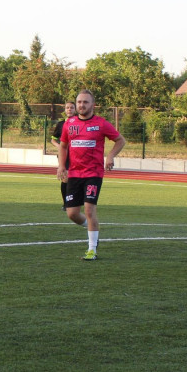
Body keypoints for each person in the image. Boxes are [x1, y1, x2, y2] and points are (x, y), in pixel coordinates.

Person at [56, 89, 126, 261]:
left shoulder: (101, 124)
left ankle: (92, 249)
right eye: (79, 102)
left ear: (92, 105)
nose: (82, 105)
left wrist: (110, 156)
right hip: (74, 173)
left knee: (89, 209)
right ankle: (92, 228)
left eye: (85, 102)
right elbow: (63, 146)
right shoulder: (69, 124)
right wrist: (61, 166)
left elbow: (120, 140)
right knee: (72, 213)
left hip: (93, 173)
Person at [51, 100, 78, 208]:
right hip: (65, 155)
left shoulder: (79, 122)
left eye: (71, 107)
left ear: (75, 109)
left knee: (76, 178)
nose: (69, 109)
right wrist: (60, 147)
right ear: (65, 110)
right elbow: (53, 139)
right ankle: (66, 203)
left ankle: (75, 201)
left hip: (77, 154)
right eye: (67, 108)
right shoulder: (61, 124)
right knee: (65, 178)